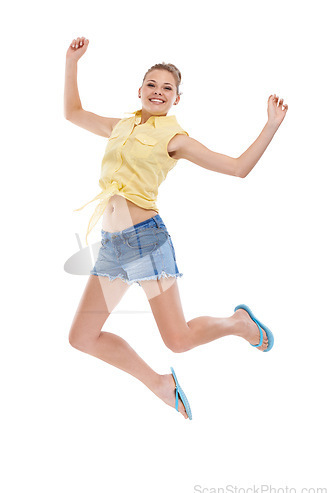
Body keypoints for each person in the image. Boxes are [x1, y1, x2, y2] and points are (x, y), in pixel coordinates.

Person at [64, 36, 288, 420]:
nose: (158, 91)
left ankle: (239, 323)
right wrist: (72, 61)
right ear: (139, 90)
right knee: (82, 337)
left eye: (167, 88)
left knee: (179, 340)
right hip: (113, 246)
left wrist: (270, 127)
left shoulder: (174, 139)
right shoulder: (121, 125)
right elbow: (72, 112)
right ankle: (158, 383)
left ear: (176, 98)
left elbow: (237, 167)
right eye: (151, 84)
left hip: (146, 243)